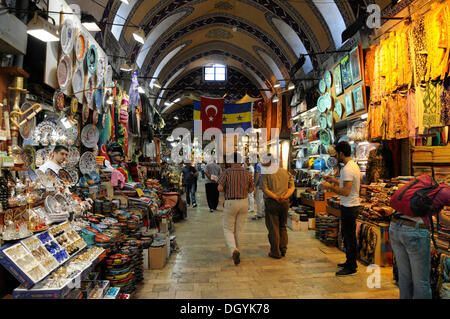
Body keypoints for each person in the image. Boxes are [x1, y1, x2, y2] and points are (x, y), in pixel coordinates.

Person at [389, 175, 450, 299]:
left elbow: (440, 217)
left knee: (405, 277)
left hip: (395, 227)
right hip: (414, 232)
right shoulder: (445, 192)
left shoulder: (427, 191)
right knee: (421, 281)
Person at [321, 141, 361, 276]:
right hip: (349, 205)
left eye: (336, 154)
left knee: (349, 237)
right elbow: (344, 185)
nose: (336, 156)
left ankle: (352, 267)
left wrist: (329, 187)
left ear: (341, 153)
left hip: (350, 206)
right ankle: (349, 262)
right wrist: (333, 180)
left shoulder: (348, 169)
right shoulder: (352, 166)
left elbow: (345, 192)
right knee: (347, 235)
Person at [217, 152, 254, 265]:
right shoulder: (247, 173)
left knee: (228, 228)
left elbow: (219, 188)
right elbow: (251, 190)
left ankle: (233, 250)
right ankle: (238, 250)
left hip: (231, 202)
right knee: (240, 229)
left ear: (232, 161)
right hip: (244, 202)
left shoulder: (227, 172)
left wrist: (228, 188)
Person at [261, 154, 295, 259]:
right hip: (284, 203)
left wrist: (276, 197)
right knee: (282, 226)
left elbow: (265, 189)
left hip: (272, 203)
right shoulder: (285, 172)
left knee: (273, 228)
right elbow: (292, 187)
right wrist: (284, 196)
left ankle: (275, 252)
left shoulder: (266, 173)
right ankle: (283, 249)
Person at [252, 155, 264, 220]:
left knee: (259, 199)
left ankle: (259, 214)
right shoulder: (259, 164)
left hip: (259, 184)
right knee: (261, 199)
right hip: (261, 184)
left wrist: (254, 184)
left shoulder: (258, 165)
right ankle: (262, 213)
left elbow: (258, 174)